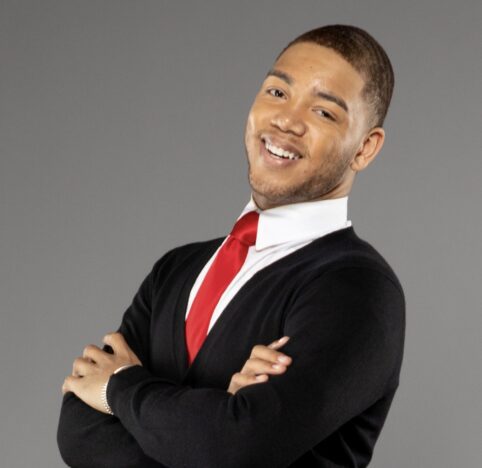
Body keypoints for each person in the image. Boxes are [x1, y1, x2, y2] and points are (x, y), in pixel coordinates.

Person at [57, 24, 405, 468]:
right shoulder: (176, 270)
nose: (286, 120)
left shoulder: (358, 291)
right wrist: (217, 421)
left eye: (323, 112)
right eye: (277, 92)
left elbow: (234, 446)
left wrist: (119, 386)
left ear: (365, 148)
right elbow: (78, 432)